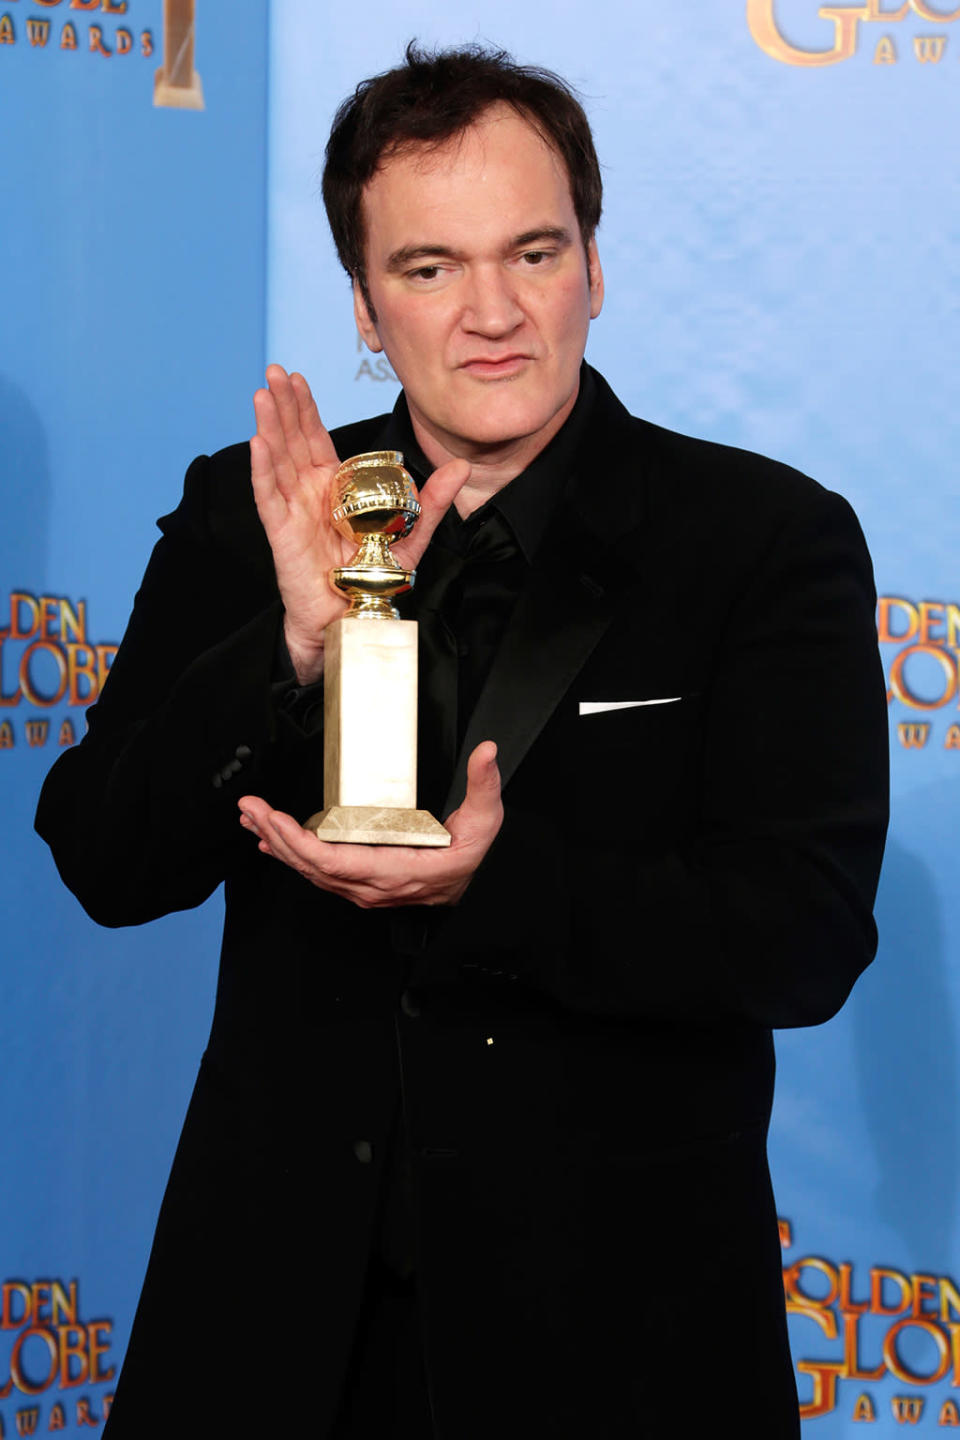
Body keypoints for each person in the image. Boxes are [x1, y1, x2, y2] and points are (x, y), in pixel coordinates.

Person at [36, 43, 888, 1439]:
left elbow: (802, 938)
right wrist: (287, 646)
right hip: (271, 1335)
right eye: (429, 268)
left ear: (595, 271)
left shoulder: (761, 541)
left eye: (533, 254)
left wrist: (500, 885)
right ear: (367, 305)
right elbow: (106, 861)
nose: (492, 313)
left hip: (618, 1341)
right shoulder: (254, 509)